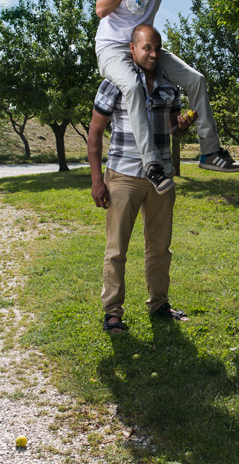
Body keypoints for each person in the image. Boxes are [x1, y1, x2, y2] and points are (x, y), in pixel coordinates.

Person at [95, 0, 239, 195]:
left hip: (146, 49)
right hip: (113, 48)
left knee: (196, 79)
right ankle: (152, 165)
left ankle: (210, 151)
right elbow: (102, 9)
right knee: (132, 86)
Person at [88, 24, 196, 333]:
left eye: (157, 48)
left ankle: (159, 303)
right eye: (146, 48)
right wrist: (98, 179)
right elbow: (95, 133)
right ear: (132, 50)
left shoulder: (169, 85)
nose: (152, 53)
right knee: (117, 249)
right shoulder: (114, 83)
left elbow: (173, 128)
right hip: (123, 176)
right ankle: (113, 312)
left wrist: (182, 126)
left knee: (160, 247)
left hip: (160, 179)